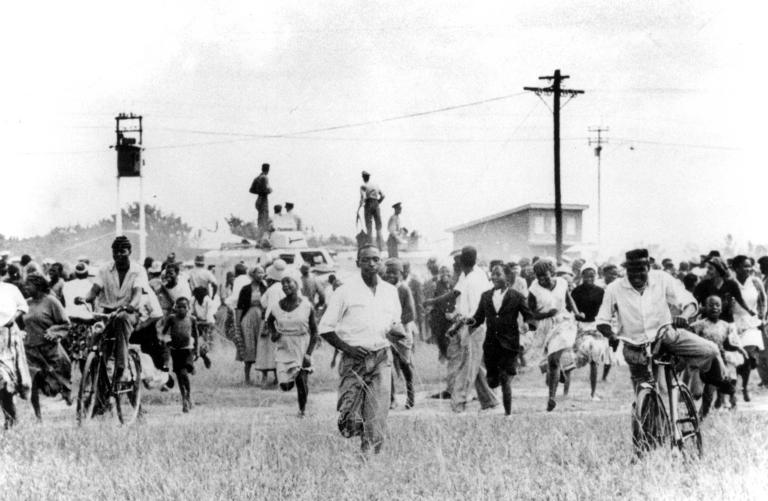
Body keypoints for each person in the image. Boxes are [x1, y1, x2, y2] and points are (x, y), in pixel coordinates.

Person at [596, 249, 735, 424]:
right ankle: (649, 436)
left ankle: (716, 377)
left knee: (711, 350)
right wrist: (610, 335)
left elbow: (690, 302)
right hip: (635, 347)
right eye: (632, 270)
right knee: (648, 397)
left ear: (649, 267)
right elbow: (602, 320)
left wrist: (683, 316)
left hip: (666, 336)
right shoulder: (614, 288)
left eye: (641, 269)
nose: (636, 275)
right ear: (626, 269)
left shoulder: (662, 279)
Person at [318, 244, 402, 454]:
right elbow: (325, 328)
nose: (372, 264)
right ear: (358, 263)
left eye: (376, 259)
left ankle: (369, 460)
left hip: (382, 357)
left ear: (381, 262)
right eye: (366, 260)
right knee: (350, 420)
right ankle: (353, 425)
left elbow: (394, 322)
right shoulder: (345, 291)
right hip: (354, 361)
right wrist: (348, 348)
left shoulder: (390, 292)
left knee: (377, 415)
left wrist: (397, 333)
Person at [425, 246, 498, 413]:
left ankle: (458, 402)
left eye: (456, 261)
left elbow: (474, 312)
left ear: (462, 262)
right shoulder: (469, 274)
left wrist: (463, 328)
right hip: (469, 324)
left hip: (474, 326)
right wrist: (433, 301)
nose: (453, 263)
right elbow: (455, 293)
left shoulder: (474, 280)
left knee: (468, 365)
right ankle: (489, 400)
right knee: (476, 365)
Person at [75, 236, 148, 375]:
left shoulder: (138, 270)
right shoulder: (104, 270)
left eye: (122, 251)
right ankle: (95, 382)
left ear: (130, 251)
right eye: (115, 251)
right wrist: (84, 299)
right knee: (97, 341)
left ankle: (122, 367)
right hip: (107, 313)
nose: (118, 255)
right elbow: (94, 290)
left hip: (128, 313)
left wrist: (131, 305)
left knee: (121, 319)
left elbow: (137, 293)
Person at [467, 263, 532, 416]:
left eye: (498, 274)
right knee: (492, 380)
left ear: (507, 277)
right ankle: (494, 380)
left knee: (505, 378)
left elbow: (529, 316)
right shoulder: (486, 296)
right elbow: (478, 318)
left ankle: (508, 413)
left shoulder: (516, 296)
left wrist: (528, 325)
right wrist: (465, 322)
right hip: (491, 345)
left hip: (509, 344)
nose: (494, 277)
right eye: (493, 274)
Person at [529, 259, 579, 411]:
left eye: (545, 275)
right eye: (539, 277)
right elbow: (530, 313)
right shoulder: (534, 289)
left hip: (563, 323)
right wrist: (544, 314)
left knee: (553, 359)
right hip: (545, 326)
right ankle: (559, 373)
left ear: (552, 273)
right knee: (550, 363)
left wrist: (577, 313)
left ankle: (551, 398)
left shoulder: (562, 283)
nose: (542, 279)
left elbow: (569, 300)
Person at [267, 275, 318, 417]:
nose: (285, 285)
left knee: (301, 380)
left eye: (289, 282)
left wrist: (308, 353)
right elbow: (270, 321)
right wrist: (274, 332)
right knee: (285, 386)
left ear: (297, 284)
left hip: (301, 345)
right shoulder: (277, 306)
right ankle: (291, 379)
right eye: (282, 283)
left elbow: (315, 332)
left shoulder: (307, 306)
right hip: (284, 346)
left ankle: (302, 410)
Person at [23, 274, 72, 420]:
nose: (25, 288)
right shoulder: (26, 303)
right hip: (31, 349)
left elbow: (65, 323)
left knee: (56, 380)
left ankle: (65, 391)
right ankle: (38, 416)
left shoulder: (51, 301)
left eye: (28, 285)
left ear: (38, 286)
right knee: (32, 382)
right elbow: (20, 322)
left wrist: (53, 331)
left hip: (49, 349)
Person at [691, 296, 747, 417]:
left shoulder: (726, 326)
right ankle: (700, 414)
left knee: (720, 384)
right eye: (711, 305)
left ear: (721, 309)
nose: (714, 308)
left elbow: (728, 343)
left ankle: (728, 403)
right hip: (703, 360)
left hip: (719, 361)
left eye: (717, 305)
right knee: (701, 392)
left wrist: (739, 349)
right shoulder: (698, 325)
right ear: (705, 308)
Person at [730, 255, 766, 402]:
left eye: (750, 266)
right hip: (733, 323)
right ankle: (733, 390)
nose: (748, 269)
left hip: (752, 323)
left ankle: (744, 387)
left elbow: (763, 301)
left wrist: (762, 318)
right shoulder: (731, 283)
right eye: (745, 266)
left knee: (749, 357)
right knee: (735, 358)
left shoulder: (756, 282)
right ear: (736, 268)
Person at [382, 258, 416, 410]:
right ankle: (391, 398)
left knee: (405, 364)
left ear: (400, 274)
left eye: (393, 273)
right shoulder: (381, 289)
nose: (390, 276)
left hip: (402, 332)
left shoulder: (403, 289)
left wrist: (396, 326)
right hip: (386, 332)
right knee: (386, 364)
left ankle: (410, 396)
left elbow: (410, 314)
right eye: (387, 272)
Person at [571, 263, 608, 400]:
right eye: (586, 276)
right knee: (576, 359)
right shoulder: (576, 292)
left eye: (592, 276)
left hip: (596, 327)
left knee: (594, 359)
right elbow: (571, 310)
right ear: (582, 276)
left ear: (596, 276)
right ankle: (565, 388)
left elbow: (606, 309)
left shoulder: (601, 291)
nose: (589, 278)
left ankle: (593, 393)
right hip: (580, 327)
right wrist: (577, 314)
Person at [0, 280, 31, 428]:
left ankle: (10, 419)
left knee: (7, 381)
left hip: (8, 340)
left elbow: (23, 306)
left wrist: (12, 318)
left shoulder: (10, 289)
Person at [162, 297, 199, 412]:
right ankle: (185, 398)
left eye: (184, 307)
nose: (181, 309)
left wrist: (197, 350)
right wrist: (165, 341)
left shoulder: (192, 319)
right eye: (179, 307)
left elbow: (196, 335)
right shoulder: (172, 319)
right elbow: (163, 332)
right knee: (179, 374)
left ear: (188, 308)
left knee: (183, 373)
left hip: (187, 350)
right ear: (175, 308)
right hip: (175, 350)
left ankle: (188, 397)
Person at [693, 256, 753, 324]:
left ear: (719, 270)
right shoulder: (702, 285)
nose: (707, 271)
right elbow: (694, 304)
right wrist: (707, 309)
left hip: (727, 322)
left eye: (710, 269)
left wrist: (750, 311)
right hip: (707, 322)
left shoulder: (731, 284)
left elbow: (740, 300)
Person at [235, 266, 267, 385]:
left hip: (262, 318)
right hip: (248, 317)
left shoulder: (265, 288)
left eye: (262, 273)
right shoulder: (246, 289)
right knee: (249, 345)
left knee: (263, 346)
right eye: (258, 272)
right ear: (252, 274)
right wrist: (237, 323)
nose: (261, 275)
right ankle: (247, 377)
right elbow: (239, 306)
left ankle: (264, 377)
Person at [60, 262, 94, 373]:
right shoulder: (91, 286)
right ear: (87, 273)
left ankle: (67, 380)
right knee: (84, 356)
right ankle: (85, 381)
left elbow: (63, 303)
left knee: (69, 354)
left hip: (70, 321)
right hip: (86, 323)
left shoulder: (67, 285)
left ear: (75, 273)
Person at [358, 171, 385, 250]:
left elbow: (363, 198)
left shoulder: (363, 186)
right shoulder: (376, 185)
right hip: (376, 203)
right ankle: (380, 247)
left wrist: (359, 207)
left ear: (363, 177)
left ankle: (370, 246)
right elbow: (383, 196)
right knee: (378, 226)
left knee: (369, 226)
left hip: (368, 204)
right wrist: (377, 203)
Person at [191, 286, 215, 368]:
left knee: (207, 345)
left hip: (207, 325)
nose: (197, 297)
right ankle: (200, 356)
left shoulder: (209, 302)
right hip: (197, 323)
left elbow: (209, 320)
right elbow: (190, 313)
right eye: (196, 296)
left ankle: (205, 357)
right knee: (193, 342)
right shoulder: (193, 300)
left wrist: (198, 322)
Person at [250, 163, 272, 239]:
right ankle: (262, 239)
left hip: (258, 200)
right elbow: (267, 190)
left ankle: (260, 238)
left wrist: (259, 191)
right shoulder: (265, 178)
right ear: (268, 170)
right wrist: (269, 190)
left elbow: (251, 190)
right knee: (264, 219)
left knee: (260, 219)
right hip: (263, 199)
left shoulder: (257, 178)